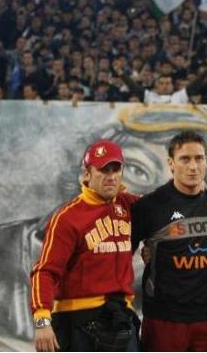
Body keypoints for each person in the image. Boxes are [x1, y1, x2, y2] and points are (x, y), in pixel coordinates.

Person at [30, 140, 140, 352]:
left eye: (115, 169)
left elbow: (163, 207)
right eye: (103, 170)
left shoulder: (129, 205)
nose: (111, 176)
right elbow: (44, 272)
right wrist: (42, 321)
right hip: (77, 323)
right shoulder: (67, 218)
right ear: (87, 174)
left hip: (120, 317)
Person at [131, 131, 207, 351]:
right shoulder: (150, 205)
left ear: (206, 162)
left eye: (199, 158)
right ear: (171, 163)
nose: (193, 166)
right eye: (185, 159)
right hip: (163, 319)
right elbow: (122, 256)